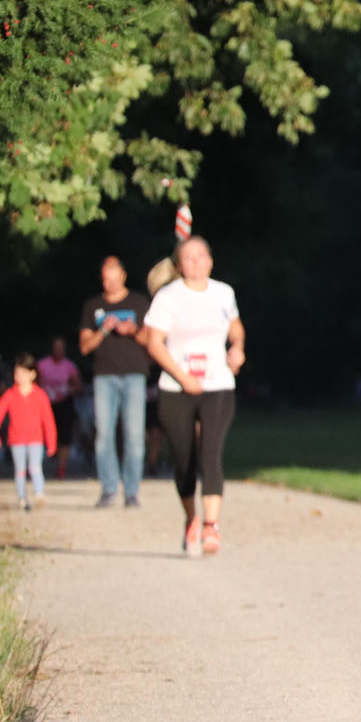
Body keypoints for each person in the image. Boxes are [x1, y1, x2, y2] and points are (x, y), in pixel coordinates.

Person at [143, 235, 245, 557]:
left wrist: (237, 349)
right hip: (177, 388)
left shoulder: (223, 293)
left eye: (201, 256)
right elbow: (154, 343)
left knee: (210, 453)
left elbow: (236, 328)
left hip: (218, 384)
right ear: (179, 265)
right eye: (188, 258)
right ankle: (191, 518)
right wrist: (181, 376)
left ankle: (211, 525)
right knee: (184, 459)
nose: (196, 263)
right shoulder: (168, 297)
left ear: (210, 261)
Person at [79, 256, 153, 507]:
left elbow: (152, 340)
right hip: (104, 376)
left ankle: (131, 491)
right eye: (105, 279)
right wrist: (103, 330)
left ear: (123, 276)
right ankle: (109, 489)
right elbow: (84, 346)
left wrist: (132, 330)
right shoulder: (93, 306)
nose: (109, 284)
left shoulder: (138, 303)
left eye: (114, 278)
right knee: (104, 434)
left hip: (134, 375)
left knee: (134, 435)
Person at [0, 353, 58, 510]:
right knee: (20, 469)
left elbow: (48, 420)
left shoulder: (40, 395)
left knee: (35, 466)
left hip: (36, 439)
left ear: (32, 374)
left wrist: (51, 442)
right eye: (17, 372)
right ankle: (22, 497)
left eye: (23, 373)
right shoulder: (10, 395)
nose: (19, 376)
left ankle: (39, 493)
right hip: (16, 439)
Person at [35, 336, 83, 478]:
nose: (58, 350)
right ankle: (38, 464)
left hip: (64, 404)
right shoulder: (42, 364)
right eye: (56, 347)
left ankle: (61, 467)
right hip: (46, 403)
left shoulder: (69, 366)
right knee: (44, 432)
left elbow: (78, 386)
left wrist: (67, 390)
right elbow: (34, 383)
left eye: (61, 348)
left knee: (65, 435)